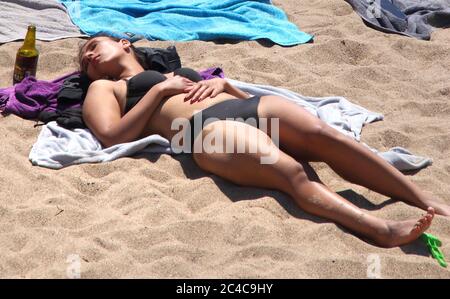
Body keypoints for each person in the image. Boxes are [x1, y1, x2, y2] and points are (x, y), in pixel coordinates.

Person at [79, 35, 449, 248]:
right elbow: (112, 135)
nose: (89, 56)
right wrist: (160, 90)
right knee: (290, 170)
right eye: (85, 60)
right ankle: (377, 229)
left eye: (93, 46)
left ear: (124, 43)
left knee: (326, 138)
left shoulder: (172, 71)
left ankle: (421, 197)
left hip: (247, 105)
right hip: (200, 129)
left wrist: (225, 85)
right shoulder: (107, 87)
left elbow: (233, 96)